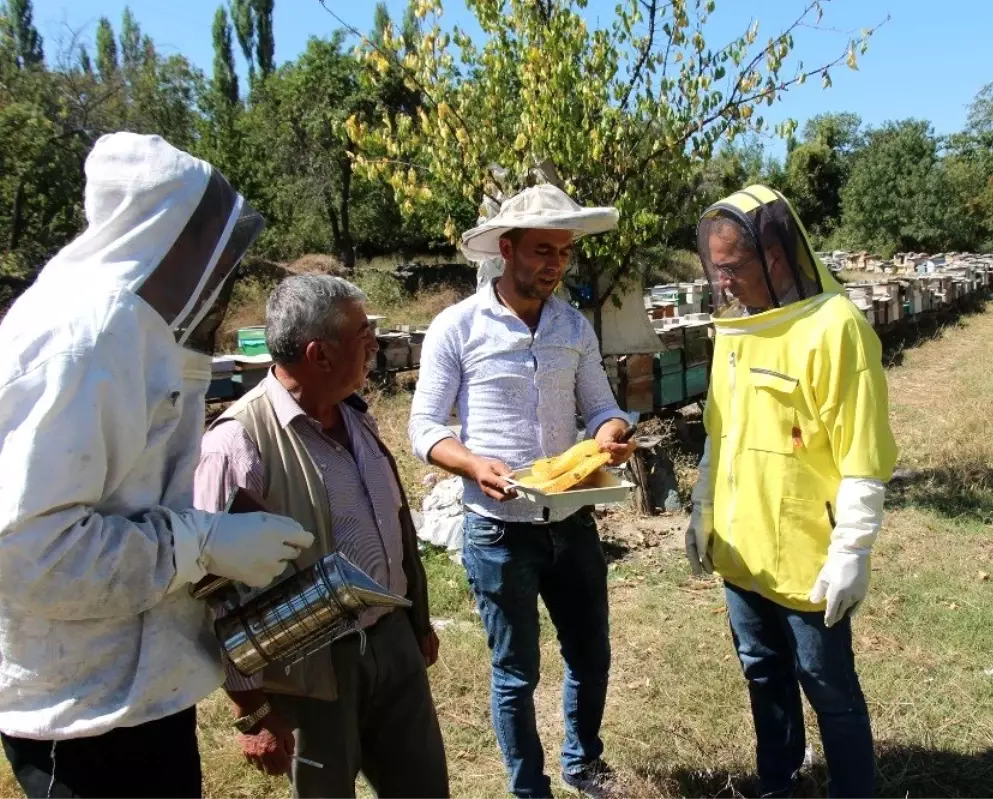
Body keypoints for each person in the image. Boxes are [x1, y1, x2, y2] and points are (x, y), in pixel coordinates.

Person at [0, 133, 313, 798]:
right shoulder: (83, 337)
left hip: (135, 689)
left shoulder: (126, 331)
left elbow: (113, 495)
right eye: (210, 243)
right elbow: (29, 552)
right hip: (80, 711)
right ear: (162, 234)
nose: (225, 267)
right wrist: (200, 545)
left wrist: (209, 530)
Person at [409, 184, 636, 799]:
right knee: (516, 673)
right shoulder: (455, 327)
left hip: (572, 521)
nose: (555, 265)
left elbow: (602, 408)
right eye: (542, 250)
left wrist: (612, 433)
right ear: (505, 249)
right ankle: (527, 787)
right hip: (497, 529)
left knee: (590, 656)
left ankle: (583, 764)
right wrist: (473, 464)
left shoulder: (573, 326)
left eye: (563, 253)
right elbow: (424, 428)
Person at [193, 275, 449, 799]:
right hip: (308, 670)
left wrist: (415, 619)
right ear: (320, 355)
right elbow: (213, 592)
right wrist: (252, 709)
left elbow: (395, 522)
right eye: (362, 334)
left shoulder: (356, 414)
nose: (374, 344)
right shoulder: (238, 444)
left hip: (391, 640)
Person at [685, 185, 898, 799]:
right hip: (741, 550)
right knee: (762, 673)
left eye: (732, 267)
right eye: (714, 266)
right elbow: (718, 435)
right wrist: (702, 512)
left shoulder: (837, 329)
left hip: (809, 553)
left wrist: (851, 550)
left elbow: (863, 454)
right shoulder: (733, 329)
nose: (721, 282)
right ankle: (779, 781)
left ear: (775, 256)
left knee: (828, 688)